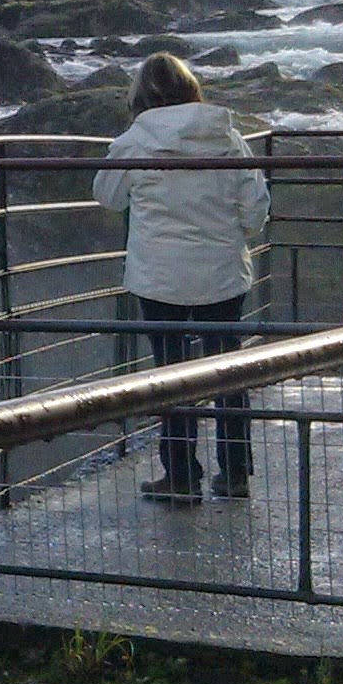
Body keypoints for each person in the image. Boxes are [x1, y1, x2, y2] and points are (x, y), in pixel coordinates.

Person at [93, 52, 271, 504]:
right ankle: (234, 472)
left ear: (140, 96)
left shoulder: (136, 141)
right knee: (227, 373)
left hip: (160, 276)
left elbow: (108, 198)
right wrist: (234, 234)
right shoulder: (228, 137)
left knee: (171, 376)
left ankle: (181, 477)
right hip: (222, 271)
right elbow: (255, 209)